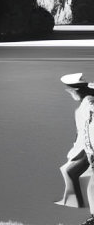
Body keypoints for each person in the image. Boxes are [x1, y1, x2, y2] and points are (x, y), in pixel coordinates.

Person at [58, 72, 94, 222]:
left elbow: (88, 132)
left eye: (70, 91)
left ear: (76, 91)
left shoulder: (88, 106)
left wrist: (90, 152)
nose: (70, 94)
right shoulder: (89, 98)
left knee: (92, 186)